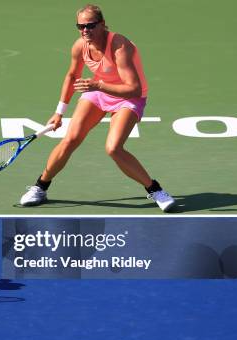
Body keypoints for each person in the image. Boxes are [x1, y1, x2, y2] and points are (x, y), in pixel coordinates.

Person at [20, 4, 175, 212]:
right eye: (80, 26)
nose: (85, 31)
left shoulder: (120, 46)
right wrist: (59, 112)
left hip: (127, 98)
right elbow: (72, 76)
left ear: (102, 24)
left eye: (90, 26)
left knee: (113, 148)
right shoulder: (79, 46)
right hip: (99, 91)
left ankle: (155, 190)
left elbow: (134, 89)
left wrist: (98, 85)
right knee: (71, 139)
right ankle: (40, 187)